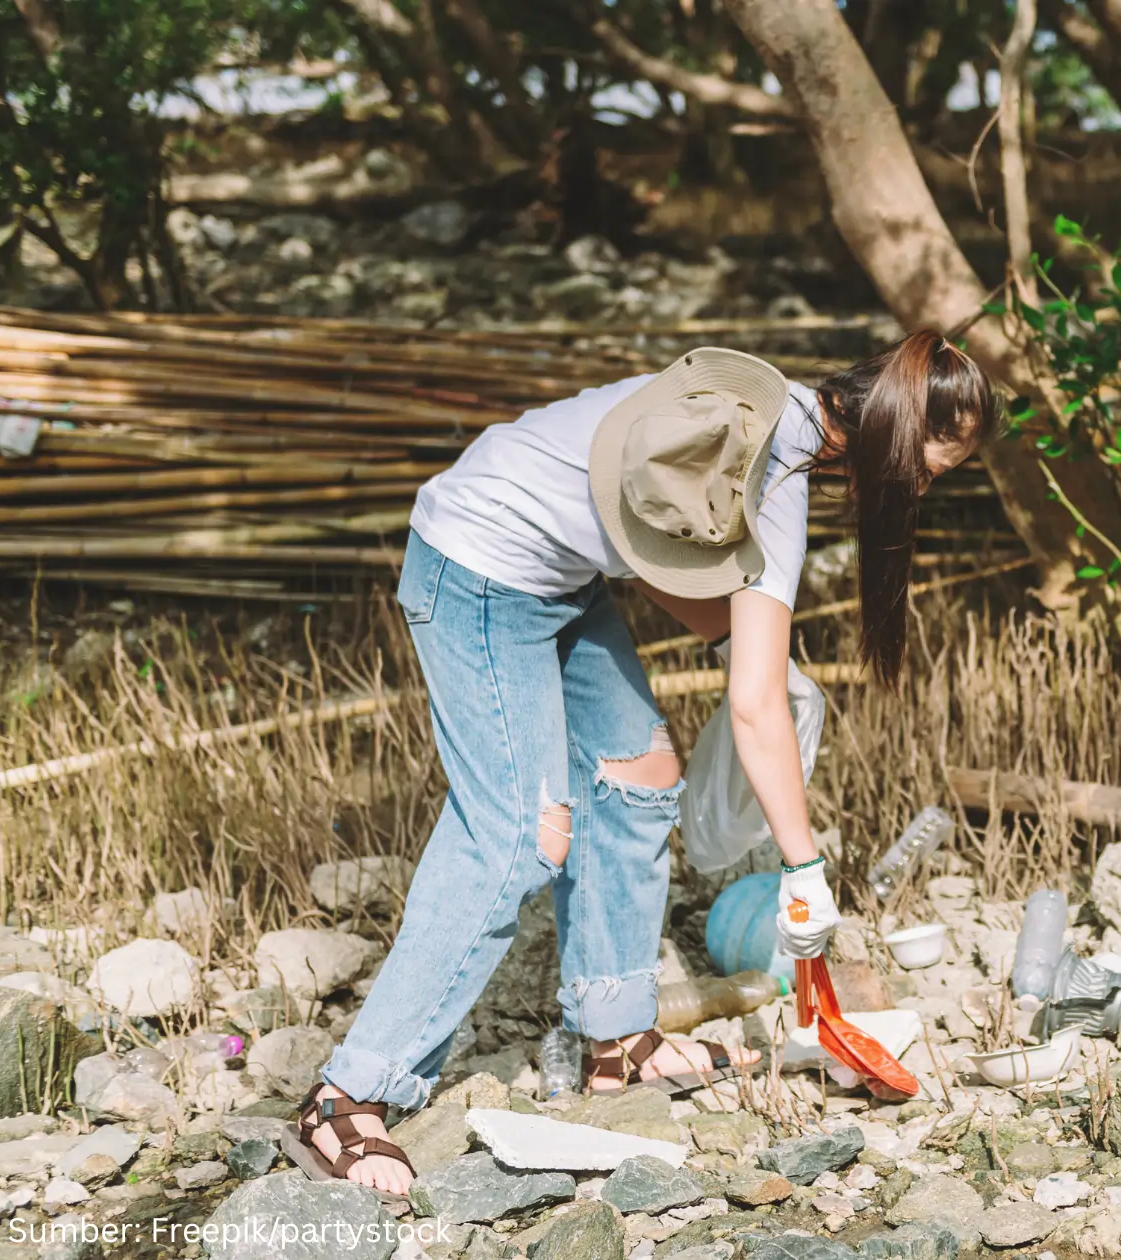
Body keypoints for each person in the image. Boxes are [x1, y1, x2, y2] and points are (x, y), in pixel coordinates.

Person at [292, 332, 996, 1195]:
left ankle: (617, 1034)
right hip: (476, 564)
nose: (922, 489)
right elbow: (751, 706)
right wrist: (803, 867)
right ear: (892, 433)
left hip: (560, 575)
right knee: (520, 836)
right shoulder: (765, 467)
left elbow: (647, 548)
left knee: (639, 775)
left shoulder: (763, 416)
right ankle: (346, 1096)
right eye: (930, 468)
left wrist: (764, 654)